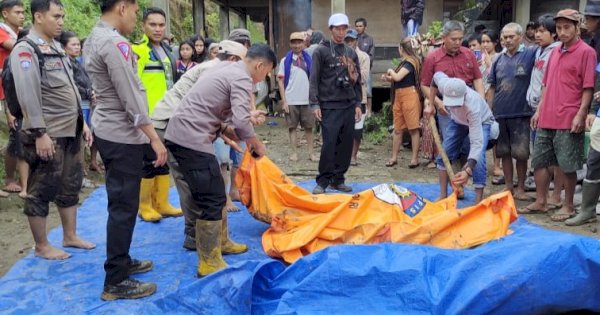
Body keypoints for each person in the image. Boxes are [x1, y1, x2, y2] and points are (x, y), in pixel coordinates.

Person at [164, 44, 273, 277]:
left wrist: (229, 129)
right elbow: (242, 123)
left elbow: (212, 109)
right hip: (189, 138)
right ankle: (209, 261)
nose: (264, 78)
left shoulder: (226, 67)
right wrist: (255, 143)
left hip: (184, 133)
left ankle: (221, 242)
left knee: (214, 190)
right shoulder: (242, 77)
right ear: (259, 65)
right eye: (266, 73)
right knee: (212, 196)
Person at [85, 0, 168, 300]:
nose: (136, 18)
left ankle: (122, 259)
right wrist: (153, 138)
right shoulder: (114, 43)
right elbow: (131, 97)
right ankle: (115, 280)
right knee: (123, 205)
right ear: (122, 7)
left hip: (108, 129)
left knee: (122, 202)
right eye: (135, 12)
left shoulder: (95, 36)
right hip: (121, 134)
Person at [11, 0, 96, 260]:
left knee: (70, 185)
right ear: (38, 16)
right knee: (42, 188)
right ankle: (41, 246)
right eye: (55, 16)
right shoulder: (26, 50)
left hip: (71, 130)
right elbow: (27, 94)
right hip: (48, 133)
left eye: (62, 16)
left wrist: (83, 126)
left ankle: (70, 235)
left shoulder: (56, 48)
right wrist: (39, 133)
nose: (61, 21)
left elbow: (68, 89)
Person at [151, 40, 247, 251]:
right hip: (170, 122)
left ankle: (204, 234)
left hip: (182, 123)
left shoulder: (216, 70)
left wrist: (223, 131)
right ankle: (194, 234)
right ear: (233, 59)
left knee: (198, 179)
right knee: (190, 180)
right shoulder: (213, 71)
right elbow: (201, 108)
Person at [526, 9, 596, 222]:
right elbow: (545, 85)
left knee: (567, 164)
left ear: (577, 27)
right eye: (559, 28)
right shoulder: (554, 51)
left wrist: (581, 114)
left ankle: (567, 205)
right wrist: (539, 110)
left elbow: (588, 87)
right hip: (547, 115)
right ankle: (541, 201)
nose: (562, 32)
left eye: (567, 27)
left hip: (569, 116)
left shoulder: (586, 52)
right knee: (539, 161)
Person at [132, 6, 181, 222]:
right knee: (148, 160)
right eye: (153, 24)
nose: (158, 29)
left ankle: (162, 202)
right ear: (143, 25)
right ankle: (144, 206)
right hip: (148, 117)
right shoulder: (138, 50)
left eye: (161, 25)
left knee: (164, 159)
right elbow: (133, 84)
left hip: (168, 115)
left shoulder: (168, 51)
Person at [310, 13, 362, 194]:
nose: (341, 32)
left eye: (344, 28)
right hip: (329, 105)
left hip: (348, 104)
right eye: (337, 29)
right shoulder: (321, 51)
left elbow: (358, 80)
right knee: (329, 143)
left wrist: (357, 104)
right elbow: (314, 79)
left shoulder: (350, 52)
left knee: (346, 144)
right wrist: (314, 104)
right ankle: (323, 180)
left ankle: (338, 179)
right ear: (330, 29)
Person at [424, 72, 495, 203]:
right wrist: (431, 104)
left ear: (464, 96)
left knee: (478, 159)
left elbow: (477, 143)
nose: (454, 105)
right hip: (457, 120)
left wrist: (468, 171)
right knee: (444, 154)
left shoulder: (472, 106)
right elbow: (434, 79)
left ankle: (478, 201)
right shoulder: (445, 84)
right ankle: (443, 195)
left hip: (482, 121)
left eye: (457, 103)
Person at [486, 23, 537, 201]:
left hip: (522, 113)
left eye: (511, 37)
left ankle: (521, 188)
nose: (507, 40)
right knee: (504, 153)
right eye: (505, 37)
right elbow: (492, 86)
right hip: (500, 113)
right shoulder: (498, 60)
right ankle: (508, 187)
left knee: (521, 154)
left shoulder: (530, 54)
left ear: (520, 37)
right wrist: (489, 111)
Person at [524, 15, 561, 207]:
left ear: (553, 34)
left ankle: (554, 196)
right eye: (536, 31)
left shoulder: (556, 52)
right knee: (542, 155)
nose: (537, 35)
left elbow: (548, 84)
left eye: (541, 31)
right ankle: (544, 195)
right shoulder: (540, 51)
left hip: (547, 110)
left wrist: (540, 109)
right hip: (536, 108)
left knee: (551, 156)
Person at [59, 31, 99, 178]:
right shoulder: (65, 63)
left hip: (86, 103)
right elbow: (72, 85)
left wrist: (92, 93)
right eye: (73, 45)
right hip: (77, 104)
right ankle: (76, 174)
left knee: (83, 139)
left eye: (78, 45)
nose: (77, 48)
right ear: (64, 47)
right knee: (78, 140)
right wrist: (90, 93)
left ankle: (78, 173)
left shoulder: (76, 62)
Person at [277, 31, 316, 163]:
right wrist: (284, 101)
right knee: (292, 127)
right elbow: (281, 82)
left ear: (304, 44)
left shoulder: (309, 60)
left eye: (299, 42)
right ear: (290, 44)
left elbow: (314, 80)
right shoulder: (285, 61)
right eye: (294, 42)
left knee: (309, 127)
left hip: (307, 99)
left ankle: (311, 153)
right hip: (291, 99)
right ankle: (294, 153)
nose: (297, 45)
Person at [384, 37, 421, 169]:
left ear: (402, 49)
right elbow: (398, 79)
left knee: (413, 128)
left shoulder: (410, 62)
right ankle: (394, 157)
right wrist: (390, 77)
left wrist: (390, 71)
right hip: (399, 95)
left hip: (409, 95)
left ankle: (414, 158)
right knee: (398, 128)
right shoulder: (405, 62)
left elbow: (398, 77)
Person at [1, 0, 25, 197]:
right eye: (17, 12)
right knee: (13, 134)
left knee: (19, 135)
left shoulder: (17, 34)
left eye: (23, 12)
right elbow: (15, 48)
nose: (22, 15)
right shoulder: (2, 31)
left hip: (17, 90)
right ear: (5, 14)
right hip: (3, 91)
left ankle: (18, 178)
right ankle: (8, 179)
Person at [345, 29, 369, 166]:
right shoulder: (339, 55)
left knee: (357, 130)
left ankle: (353, 156)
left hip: (360, 97)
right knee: (345, 128)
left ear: (356, 41)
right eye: (347, 40)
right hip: (343, 98)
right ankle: (344, 155)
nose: (349, 43)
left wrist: (352, 69)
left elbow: (364, 77)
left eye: (351, 40)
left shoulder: (363, 57)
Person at [355, 17, 374, 116]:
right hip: (354, 69)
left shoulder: (369, 39)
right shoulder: (353, 38)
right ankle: (360, 111)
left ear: (365, 27)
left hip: (366, 68)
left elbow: (371, 55)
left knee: (368, 91)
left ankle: (369, 112)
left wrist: (367, 67)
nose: (358, 28)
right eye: (357, 26)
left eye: (360, 26)